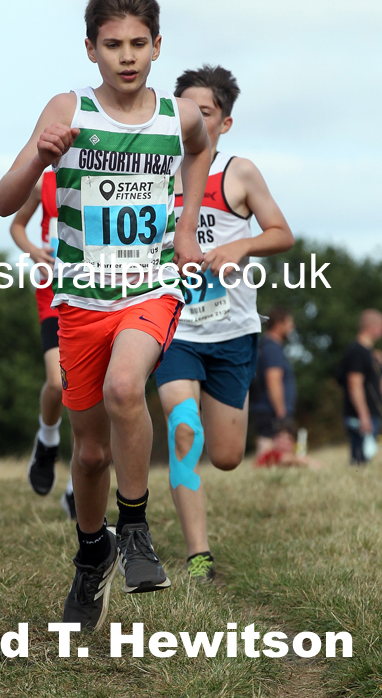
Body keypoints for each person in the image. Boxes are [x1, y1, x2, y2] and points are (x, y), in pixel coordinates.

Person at [0, 0, 211, 630]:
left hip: (149, 287)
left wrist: (183, 228)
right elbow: (7, 203)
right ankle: (93, 554)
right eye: (112, 44)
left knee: (126, 388)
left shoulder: (179, 116)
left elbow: (198, 148)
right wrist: (40, 156)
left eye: (138, 44)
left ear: (157, 46)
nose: (126, 56)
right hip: (81, 298)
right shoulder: (67, 108)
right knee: (88, 455)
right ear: (90, 49)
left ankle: (137, 530)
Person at [155, 66, 294, 583]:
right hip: (172, 327)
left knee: (228, 455)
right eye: (186, 110)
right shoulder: (154, 171)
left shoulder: (239, 172)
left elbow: (282, 232)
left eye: (205, 112)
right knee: (183, 428)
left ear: (225, 122)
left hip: (232, 332)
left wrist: (243, 244)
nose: (193, 119)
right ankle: (198, 554)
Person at [10, 170, 76, 519]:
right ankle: (47, 439)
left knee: (97, 394)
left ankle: (76, 488)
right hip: (53, 289)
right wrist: (34, 251)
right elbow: (16, 226)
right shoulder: (43, 182)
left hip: (98, 288)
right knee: (57, 381)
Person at [250, 307, 297, 455]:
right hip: (271, 411)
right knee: (268, 450)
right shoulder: (273, 348)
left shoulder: (264, 346)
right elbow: (273, 381)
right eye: (289, 323)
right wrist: (281, 413)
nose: (292, 327)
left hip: (265, 409)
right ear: (279, 324)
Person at [339, 309, 382, 464]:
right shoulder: (357, 351)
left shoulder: (369, 352)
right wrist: (364, 415)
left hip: (370, 412)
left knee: (365, 458)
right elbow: (354, 384)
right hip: (361, 415)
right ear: (371, 326)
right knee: (359, 459)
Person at [255, 420, 321, 469]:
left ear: (294, 442)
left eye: (288, 439)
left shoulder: (296, 454)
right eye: (280, 437)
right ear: (274, 439)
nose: (283, 442)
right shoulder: (270, 454)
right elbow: (285, 459)